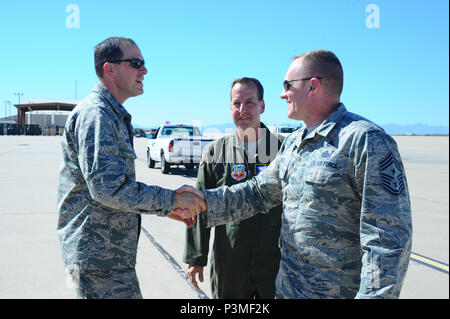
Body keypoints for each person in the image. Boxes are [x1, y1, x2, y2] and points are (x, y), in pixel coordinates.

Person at [178, 50, 413, 299]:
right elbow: (258, 193)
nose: (283, 94)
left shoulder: (364, 141)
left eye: (288, 85)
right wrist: (200, 202)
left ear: (312, 86)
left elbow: (387, 241)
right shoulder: (294, 144)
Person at [56, 37, 204, 299]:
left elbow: (115, 189)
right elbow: (108, 190)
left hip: (109, 258)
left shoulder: (110, 114)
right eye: (136, 63)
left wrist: (168, 209)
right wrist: (172, 201)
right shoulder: (97, 115)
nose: (144, 71)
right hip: (99, 261)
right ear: (109, 69)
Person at [183, 77, 284, 299]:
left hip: (275, 261)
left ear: (262, 106)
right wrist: (196, 258)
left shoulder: (284, 149)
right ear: (230, 107)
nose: (243, 109)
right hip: (230, 261)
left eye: (250, 102)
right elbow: (197, 206)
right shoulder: (215, 153)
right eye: (237, 103)